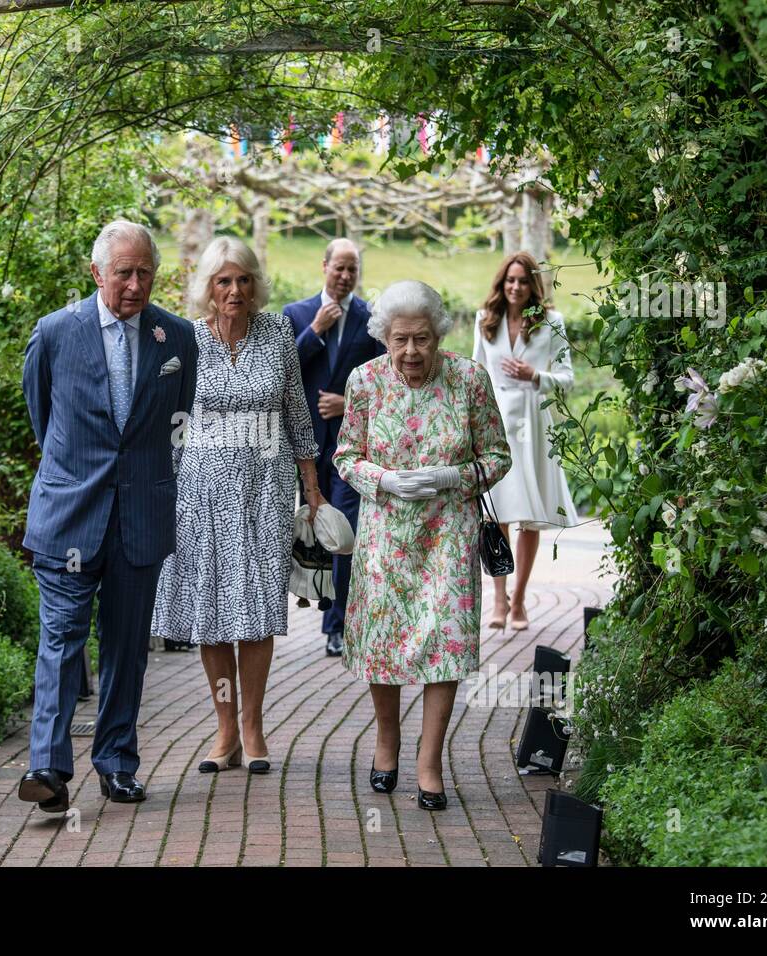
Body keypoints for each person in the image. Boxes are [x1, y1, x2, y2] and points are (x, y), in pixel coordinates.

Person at [18, 220, 197, 811]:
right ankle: (47, 766)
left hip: (140, 517)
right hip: (71, 514)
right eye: (124, 272)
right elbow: (43, 420)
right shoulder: (53, 334)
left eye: (146, 272)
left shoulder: (177, 339)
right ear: (97, 273)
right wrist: (78, 474)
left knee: (126, 646)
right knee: (62, 638)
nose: (136, 284)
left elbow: (179, 419)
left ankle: (117, 763)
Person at [334, 280, 510, 810]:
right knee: (384, 643)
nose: (411, 351)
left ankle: (429, 763)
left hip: (448, 536)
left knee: (446, 644)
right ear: (384, 336)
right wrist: (384, 480)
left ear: (439, 335)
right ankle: (386, 745)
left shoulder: (469, 380)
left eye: (423, 339)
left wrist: (450, 477)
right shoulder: (364, 382)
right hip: (385, 536)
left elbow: (498, 457)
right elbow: (345, 456)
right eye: (400, 339)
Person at [152, 236, 324, 774]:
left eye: (244, 280)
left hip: (265, 491)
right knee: (209, 613)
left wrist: (312, 486)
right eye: (224, 281)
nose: (234, 290)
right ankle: (225, 726)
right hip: (199, 491)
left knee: (254, 613)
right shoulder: (184, 339)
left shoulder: (277, 333)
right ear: (208, 287)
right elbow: (162, 416)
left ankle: (253, 725)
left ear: (256, 285)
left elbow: (297, 410)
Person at [283, 238, 385, 656]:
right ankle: (321, 610)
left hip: (350, 447)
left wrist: (348, 403)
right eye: (338, 268)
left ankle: (337, 625)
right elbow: (283, 369)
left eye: (352, 270)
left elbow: (383, 378)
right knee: (314, 533)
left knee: (344, 533)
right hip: (305, 447)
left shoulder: (371, 317)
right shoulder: (297, 314)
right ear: (324, 266)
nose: (344, 276)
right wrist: (316, 331)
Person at [470, 251, 579, 631]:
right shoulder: (485, 321)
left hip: (533, 424)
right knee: (495, 514)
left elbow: (567, 378)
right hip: (495, 423)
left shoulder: (553, 322)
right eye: (509, 280)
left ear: (534, 285)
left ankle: (519, 600)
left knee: (529, 518)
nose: (515, 287)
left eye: (522, 281)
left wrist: (535, 375)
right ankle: (498, 600)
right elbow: (475, 373)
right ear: (502, 283)